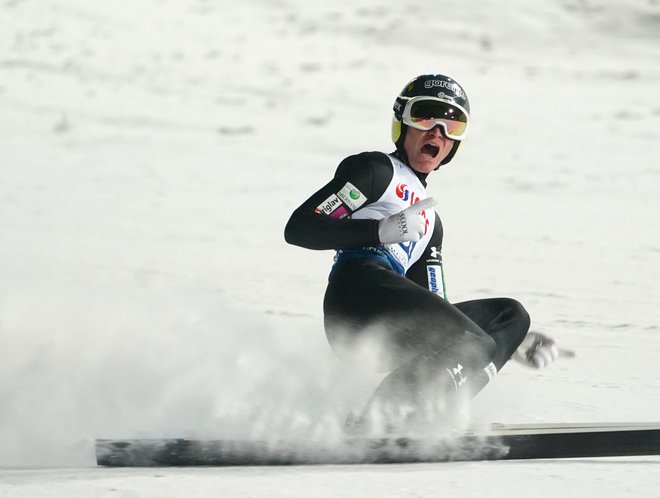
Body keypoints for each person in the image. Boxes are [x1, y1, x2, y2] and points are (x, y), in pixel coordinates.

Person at [284, 74, 559, 434]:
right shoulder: (376, 171)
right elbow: (301, 227)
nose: (437, 133)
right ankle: (379, 421)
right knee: (472, 342)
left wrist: (501, 348)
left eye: (452, 125)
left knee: (510, 318)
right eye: (426, 117)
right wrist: (379, 231)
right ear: (403, 123)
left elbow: (434, 306)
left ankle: (424, 416)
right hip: (357, 295)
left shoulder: (431, 223)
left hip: (395, 316)